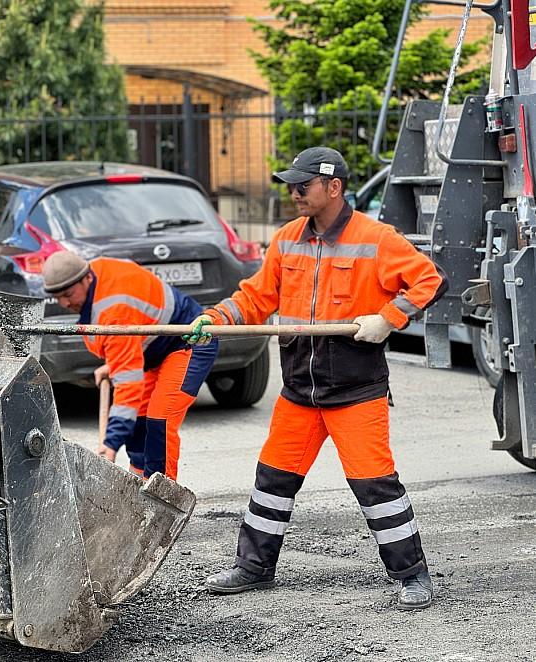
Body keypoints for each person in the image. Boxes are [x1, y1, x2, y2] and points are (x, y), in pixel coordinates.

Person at [185, 147, 447, 610]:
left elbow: (429, 280)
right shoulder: (287, 239)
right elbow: (255, 296)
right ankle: (253, 568)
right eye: (292, 185)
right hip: (299, 392)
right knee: (272, 480)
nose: (294, 193)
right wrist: (215, 318)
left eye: (302, 186)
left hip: (355, 390)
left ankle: (412, 575)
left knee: (375, 485)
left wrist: (388, 318)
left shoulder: (376, 238)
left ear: (333, 188)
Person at [42, 251, 218, 481]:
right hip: (153, 350)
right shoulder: (95, 277)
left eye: (68, 294)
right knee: (138, 426)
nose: (65, 303)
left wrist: (111, 443)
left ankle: (162, 498)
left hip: (188, 341)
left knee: (159, 420)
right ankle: (138, 493)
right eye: (58, 297)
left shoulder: (113, 311)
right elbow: (127, 344)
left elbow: (128, 386)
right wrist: (115, 364)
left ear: (87, 278)